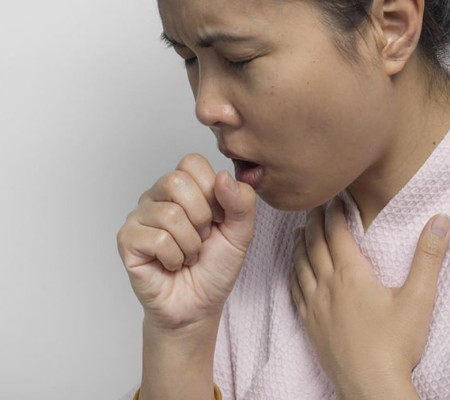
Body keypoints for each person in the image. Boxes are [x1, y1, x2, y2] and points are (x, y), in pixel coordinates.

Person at [117, 0, 450, 398]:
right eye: (188, 58)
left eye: (239, 59)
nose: (204, 108)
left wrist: (375, 381)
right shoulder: (245, 229)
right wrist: (180, 338)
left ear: (392, 28)